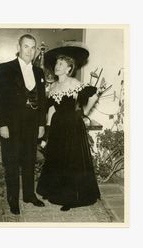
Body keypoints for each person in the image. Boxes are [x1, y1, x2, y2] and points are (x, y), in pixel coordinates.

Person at [36, 51, 101, 211]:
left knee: (71, 161)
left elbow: (93, 95)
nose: (57, 67)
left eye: (61, 64)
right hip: (58, 125)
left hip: (72, 125)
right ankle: (54, 191)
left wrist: (83, 113)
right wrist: (47, 133)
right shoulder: (52, 86)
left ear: (69, 68)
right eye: (57, 64)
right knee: (57, 158)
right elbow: (51, 111)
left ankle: (71, 198)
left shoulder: (73, 83)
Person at [0, 34, 46, 215]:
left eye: (33, 48)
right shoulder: (6, 69)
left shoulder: (39, 73)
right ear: (19, 46)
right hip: (12, 126)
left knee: (29, 161)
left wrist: (41, 125)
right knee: (12, 164)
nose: (29, 51)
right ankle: (13, 199)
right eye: (26, 46)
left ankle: (29, 195)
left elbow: (42, 102)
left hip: (32, 127)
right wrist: (2, 125)